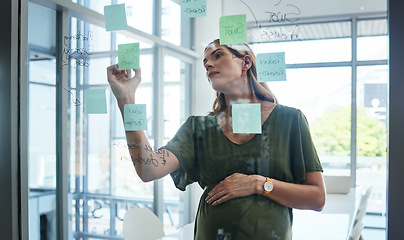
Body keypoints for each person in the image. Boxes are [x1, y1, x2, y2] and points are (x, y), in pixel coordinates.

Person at [107, 39, 326, 240]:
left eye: (217, 56)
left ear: (246, 62)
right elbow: (148, 170)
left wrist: (258, 184)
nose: (208, 65)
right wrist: (126, 100)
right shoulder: (198, 127)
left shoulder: (290, 120)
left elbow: (317, 198)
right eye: (205, 62)